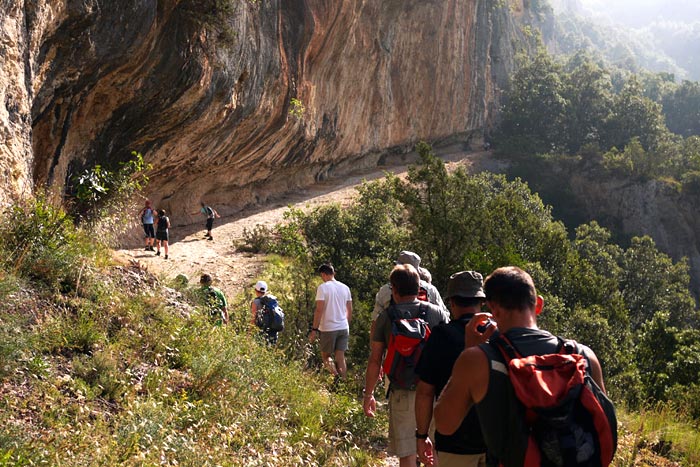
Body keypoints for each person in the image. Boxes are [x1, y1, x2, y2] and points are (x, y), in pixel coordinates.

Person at [434, 266, 609, 466]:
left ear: (493, 310)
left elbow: (444, 424)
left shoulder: (478, 359)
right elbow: (601, 427)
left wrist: (468, 350)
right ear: (539, 305)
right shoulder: (583, 356)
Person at [363, 264, 449, 467]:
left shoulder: (386, 317)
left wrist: (369, 394)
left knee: (407, 454)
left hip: (402, 392)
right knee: (433, 450)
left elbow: (375, 359)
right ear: (420, 287)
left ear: (393, 288)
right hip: (434, 392)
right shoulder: (437, 314)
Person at [415, 271, 488, 467]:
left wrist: (421, 436)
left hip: (454, 442)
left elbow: (424, 392)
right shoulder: (498, 334)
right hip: (495, 443)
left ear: (452, 303)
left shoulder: (441, 336)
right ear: (481, 302)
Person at [370, 251, 447, 336]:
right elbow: (445, 317)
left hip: (395, 344)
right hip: (427, 345)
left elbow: (375, 323)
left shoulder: (386, 290)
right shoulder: (430, 289)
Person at [309, 264, 352, 383]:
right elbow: (349, 309)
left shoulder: (323, 288)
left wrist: (314, 329)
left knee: (326, 356)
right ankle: (343, 384)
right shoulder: (345, 287)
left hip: (328, 327)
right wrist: (346, 324)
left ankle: (336, 375)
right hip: (343, 327)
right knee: (340, 356)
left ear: (323, 274)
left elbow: (319, 309)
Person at [251, 280, 281, 345]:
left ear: (256, 290)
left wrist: (249, 332)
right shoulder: (272, 301)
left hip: (261, 332)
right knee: (271, 350)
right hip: (273, 331)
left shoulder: (255, 302)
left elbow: (253, 318)